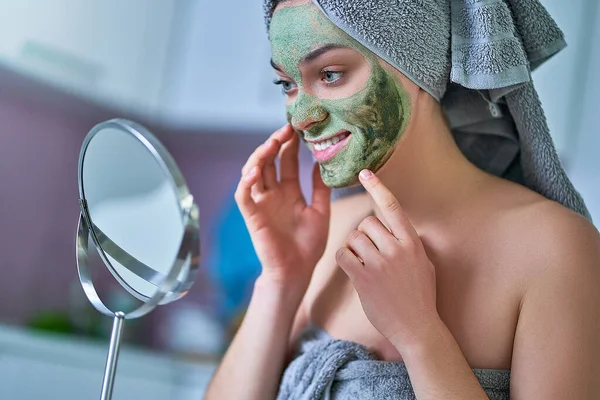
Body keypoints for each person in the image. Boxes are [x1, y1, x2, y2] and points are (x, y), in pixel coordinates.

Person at [205, 0, 600, 398]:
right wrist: (280, 280)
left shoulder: (555, 248)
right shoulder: (326, 235)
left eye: (331, 74)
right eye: (287, 84)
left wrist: (420, 334)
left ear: (417, 64)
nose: (300, 116)